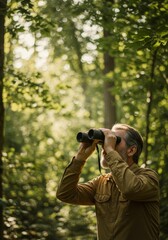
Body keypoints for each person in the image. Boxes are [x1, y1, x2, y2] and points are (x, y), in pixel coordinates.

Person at [56, 123, 160, 240]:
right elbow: (65, 194)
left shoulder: (148, 177)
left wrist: (110, 150)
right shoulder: (102, 183)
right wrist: (80, 158)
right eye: (105, 141)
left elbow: (130, 188)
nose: (105, 146)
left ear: (131, 150)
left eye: (114, 140)